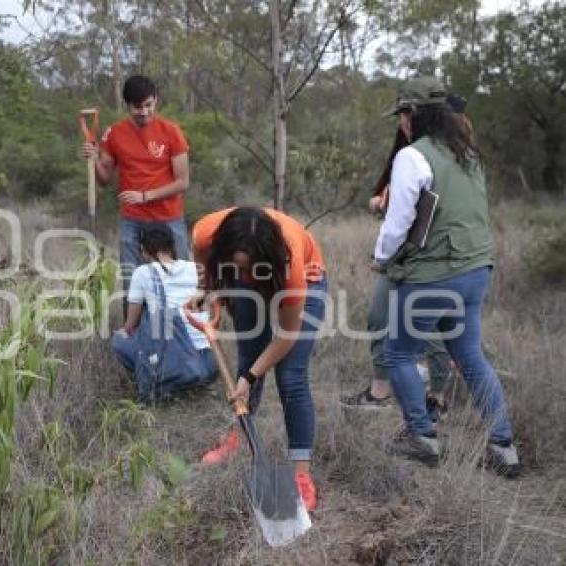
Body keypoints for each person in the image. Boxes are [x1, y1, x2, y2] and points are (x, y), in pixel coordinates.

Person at [374, 77, 519, 477]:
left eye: (403, 114)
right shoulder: (468, 155)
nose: (401, 123)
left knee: (398, 353)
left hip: (432, 276)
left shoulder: (412, 156)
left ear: (415, 115)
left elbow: (400, 218)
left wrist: (381, 256)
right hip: (476, 271)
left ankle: (422, 437)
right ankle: (503, 445)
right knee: (469, 354)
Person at [340, 92, 472, 420]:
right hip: (401, 250)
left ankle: (437, 396)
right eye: (400, 115)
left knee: (429, 326)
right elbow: (397, 199)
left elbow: (433, 207)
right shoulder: (407, 150)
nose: (401, 121)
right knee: (378, 315)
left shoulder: (450, 153)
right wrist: (382, 206)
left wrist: (384, 250)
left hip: (431, 254)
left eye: (406, 114)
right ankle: (380, 388)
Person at [188, 206, 327, 511]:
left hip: (305, 274)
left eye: (250, 268)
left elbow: (287, 335)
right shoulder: (205, 233)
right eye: (237, 267)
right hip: (253, 260)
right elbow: (204, 262)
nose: (246, 276)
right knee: (250, 351)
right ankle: (239, 437)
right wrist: (205, 288)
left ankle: (301, 474)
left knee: (291, 377)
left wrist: (250, 378)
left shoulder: (289, 268)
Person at [82, 75, 191, 292]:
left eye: (148, 105)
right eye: (137, 107)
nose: (144, 112)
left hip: (168, 217)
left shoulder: (171, 132)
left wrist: (145, 196)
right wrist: (94, 159)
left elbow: (182, 182)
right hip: (132, 220)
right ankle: (133, 326)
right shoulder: (114, 134)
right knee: (133, 283)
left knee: (180, 281)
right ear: (127, 105)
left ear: (156, 100)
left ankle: (183, 325)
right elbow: (104, 180)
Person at [111, 224, 218, 401]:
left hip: (177, 364)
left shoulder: (142, 273)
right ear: (171, 245)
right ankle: (195, 385)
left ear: (144, 250)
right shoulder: (195, 268)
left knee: (119, 340)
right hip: (208, 364)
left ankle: (160, 381)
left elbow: (130, 324)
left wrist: (125, 331)